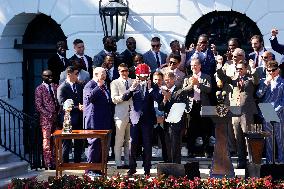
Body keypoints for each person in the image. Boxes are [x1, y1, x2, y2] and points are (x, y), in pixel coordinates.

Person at [217, 60, 259, 168]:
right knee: (238, 138)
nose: (239, 70)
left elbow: (256, 81)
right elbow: (222, 76)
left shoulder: (250, 78)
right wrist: (220, 65)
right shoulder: (233, 80)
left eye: (241, 68)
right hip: (235, 112)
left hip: (247, 112)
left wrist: (253, 70)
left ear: (246, 69)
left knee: (248, 138)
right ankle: (241, 162)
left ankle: (252, 163)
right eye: (237, 69)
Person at [127, 63, 163, 176]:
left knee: (147, 145)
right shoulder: (133, 84)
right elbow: (125, 97)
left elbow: (159, 98)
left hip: (148, 119)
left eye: (145, 75)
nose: (143, 78)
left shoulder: (153, 85)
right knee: (132, 144)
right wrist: (131, 89)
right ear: (137, 75)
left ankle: (147, 169)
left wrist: (151, 89)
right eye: (141, 75)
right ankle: (132, 168)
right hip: (135, 119)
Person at [83, 67, 113, 176]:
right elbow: (89, 98)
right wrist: (98, 87)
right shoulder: (90, 85)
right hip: (94, 121)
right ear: (96, 74)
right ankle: (90, 170)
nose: (105, 75)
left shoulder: (104, 85)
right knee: (94, 145)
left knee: (101, 146)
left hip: (104, 120)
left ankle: (98, 169)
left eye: (105, 73)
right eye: (103, 73)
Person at [182, 58, 212, 157]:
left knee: (205, 129)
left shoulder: (206, 77)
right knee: (191, 129)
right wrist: (192, 84)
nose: (193, 67)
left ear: (199, 66)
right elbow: (184, 90)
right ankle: (191, 150)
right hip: (192, 106)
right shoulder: (187, 78)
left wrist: (198, 84)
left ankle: (207, 150)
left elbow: (209, 89)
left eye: (195, 65)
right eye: (192, 66)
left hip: (203, 105)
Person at [256, 60, 284, 163]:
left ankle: (282, 161)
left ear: (278, 70)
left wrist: (276, 111)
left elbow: (283, 100)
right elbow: (258, 95)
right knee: (268, 139)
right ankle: (269, 161)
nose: (271, 72)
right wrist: (266, 83)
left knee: (280, 138)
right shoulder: (264, 81)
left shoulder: (282, 82)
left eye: (273, 70)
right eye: (269, 70)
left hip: (279, 112)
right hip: (266, 110)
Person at [57, 66, 84, 163]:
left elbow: (81, 99)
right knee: (66, 143)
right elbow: (62, 103)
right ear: (69, 74)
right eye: (76, 74)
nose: (78, 76)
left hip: (79, 118)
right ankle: (64, 164)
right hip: (68, 119)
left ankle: (77, 162)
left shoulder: (79, 86)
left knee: (79, 142)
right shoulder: (62, 87)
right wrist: (77, 107)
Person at [110, 63, 135, 169]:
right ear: (119, 72)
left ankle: (127, 161)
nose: (125, 73)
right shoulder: (114, 82)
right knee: (119, 139)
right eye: (122, 71)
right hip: (120, 114)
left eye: (126, 70)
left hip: (133, 114)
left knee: (129, 140)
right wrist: (126, 95)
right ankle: (118, 162)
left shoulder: (133, 81)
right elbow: (114, 99)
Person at [159, 72, 187, 163]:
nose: (167, 81)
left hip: (177, 123)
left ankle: (176, 166)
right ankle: (169, 164)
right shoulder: (163, 92)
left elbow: (180, 105)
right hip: (167, 122)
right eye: (166, 80)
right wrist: (164, 100)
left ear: (174, 79)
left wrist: (170, 98)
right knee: (168, 145)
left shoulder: (180, 91)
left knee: (175, 145)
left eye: (169, 79)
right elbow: (160, 108)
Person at [35, 70, 59, 170]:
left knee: (56, 141)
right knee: (47, 141)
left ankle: (55, 161)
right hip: (46, 120)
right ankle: (47, 163)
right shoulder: (39, 89)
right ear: (43, 77)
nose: (50, 77)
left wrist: (58, 113)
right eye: (47, 76)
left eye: (51, 76)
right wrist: (49, 114)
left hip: (56, 118)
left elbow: (60, 100)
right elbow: (38, 105)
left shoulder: (55, 87)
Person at [152, 72, 168, 162]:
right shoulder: (149, 90)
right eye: (155, 79)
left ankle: (166, 161)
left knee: (164, 141)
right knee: (148, 142)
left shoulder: (166, 90)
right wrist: (154, 118)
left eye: (159, 79)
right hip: (152, 120)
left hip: (163, 120)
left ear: (162, 80)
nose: (157, 81)